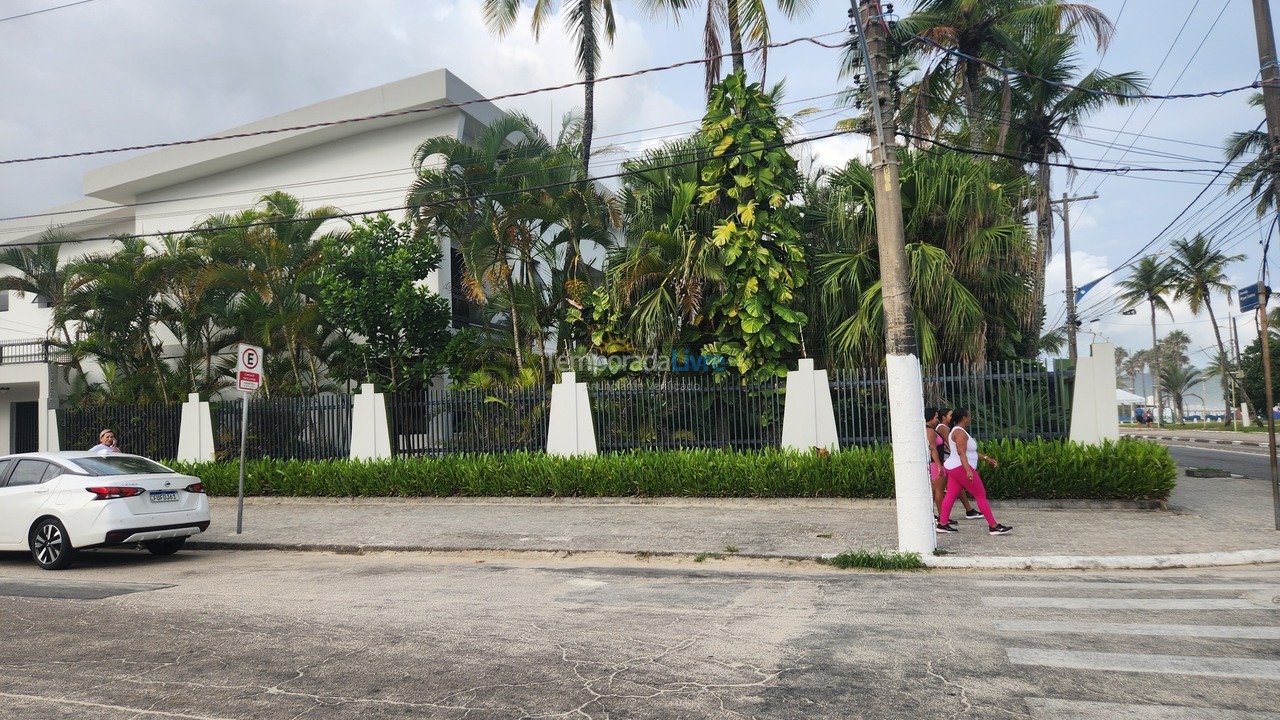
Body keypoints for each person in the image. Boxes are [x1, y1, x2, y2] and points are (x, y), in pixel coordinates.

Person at [938, 408, 1012, 536]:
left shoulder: (957, 431)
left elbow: (968, 452)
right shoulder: (960, 433)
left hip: (955, 466)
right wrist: (968, 471)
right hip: (961, 467)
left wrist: (986, 458)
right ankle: (993, 526)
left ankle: (942, 524)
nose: (970, 418)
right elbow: (962, 453)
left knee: (950, 495)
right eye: (969, 416)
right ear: (964, 418)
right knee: (980, 494)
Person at [934, 408, 980, 522]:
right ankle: (942, 517)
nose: (952, 416)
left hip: (949, 460)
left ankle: (947, 518)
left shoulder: (948, 428)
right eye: (950, 415)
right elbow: (952, 446)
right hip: (947, 460)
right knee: (941, 489)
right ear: (944, 417)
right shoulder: (943, 428)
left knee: (953, 489)